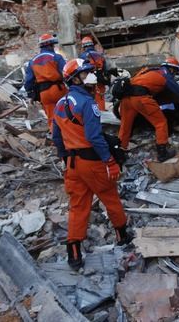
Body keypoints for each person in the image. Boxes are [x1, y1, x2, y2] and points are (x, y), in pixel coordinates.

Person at [52, 58, 131, 270]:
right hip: (92, 162)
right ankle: (122, 236)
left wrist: (65, 159)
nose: (91, 76)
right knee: (110, 198)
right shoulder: (88, 103)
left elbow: (57, 137)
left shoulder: (60, 104)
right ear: (75, 79)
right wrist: (110, 161)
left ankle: (74, 253)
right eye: (86, 73)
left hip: (73, 164)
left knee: (78, 206)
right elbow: (94, 137)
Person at [118, 56, 179, 162]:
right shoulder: (165, 74)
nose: (174, 75)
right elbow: (177, 89)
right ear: (172, 69)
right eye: (175, 72)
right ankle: (162, 154)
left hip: (126, 99)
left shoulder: (148, 71)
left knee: (125, 126)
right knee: (161, 123)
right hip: (140, 98)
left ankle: (119, 153)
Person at [24, 33, 67, 133]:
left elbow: (28, 81)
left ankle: (56, 139)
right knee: (65, 114)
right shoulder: (56, 57)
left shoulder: (32, 61)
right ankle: (68, 138)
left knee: (52, 118)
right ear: (51, 45)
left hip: (44, 93)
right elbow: (66, 73)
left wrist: (30, 94)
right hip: (58, 90)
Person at [78, 36, 112, 111]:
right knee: (100, 99)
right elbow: (106, 68)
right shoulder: (100, 55)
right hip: (100, 80)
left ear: (83, 46)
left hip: (88, 82)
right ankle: (102, 116)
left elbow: (80, 70)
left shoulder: (82, 57)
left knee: (89, 100)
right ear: (92, 45)